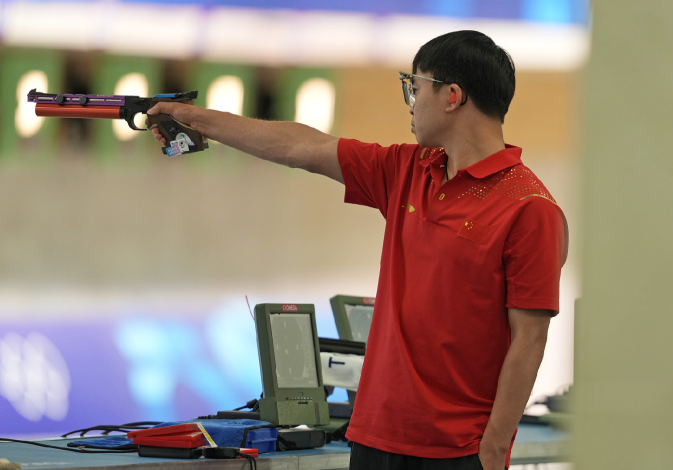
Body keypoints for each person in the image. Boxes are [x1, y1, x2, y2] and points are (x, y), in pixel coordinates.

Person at [147, 30, 568, 470]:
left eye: (415, 86)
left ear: (452, 96)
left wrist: (493, 450)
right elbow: (300, 146)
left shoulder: (530, 209)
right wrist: (195, 118)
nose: (410, 101)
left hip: (459, 452)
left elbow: (530, 339)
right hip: (374, 438)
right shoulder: (407, 168)